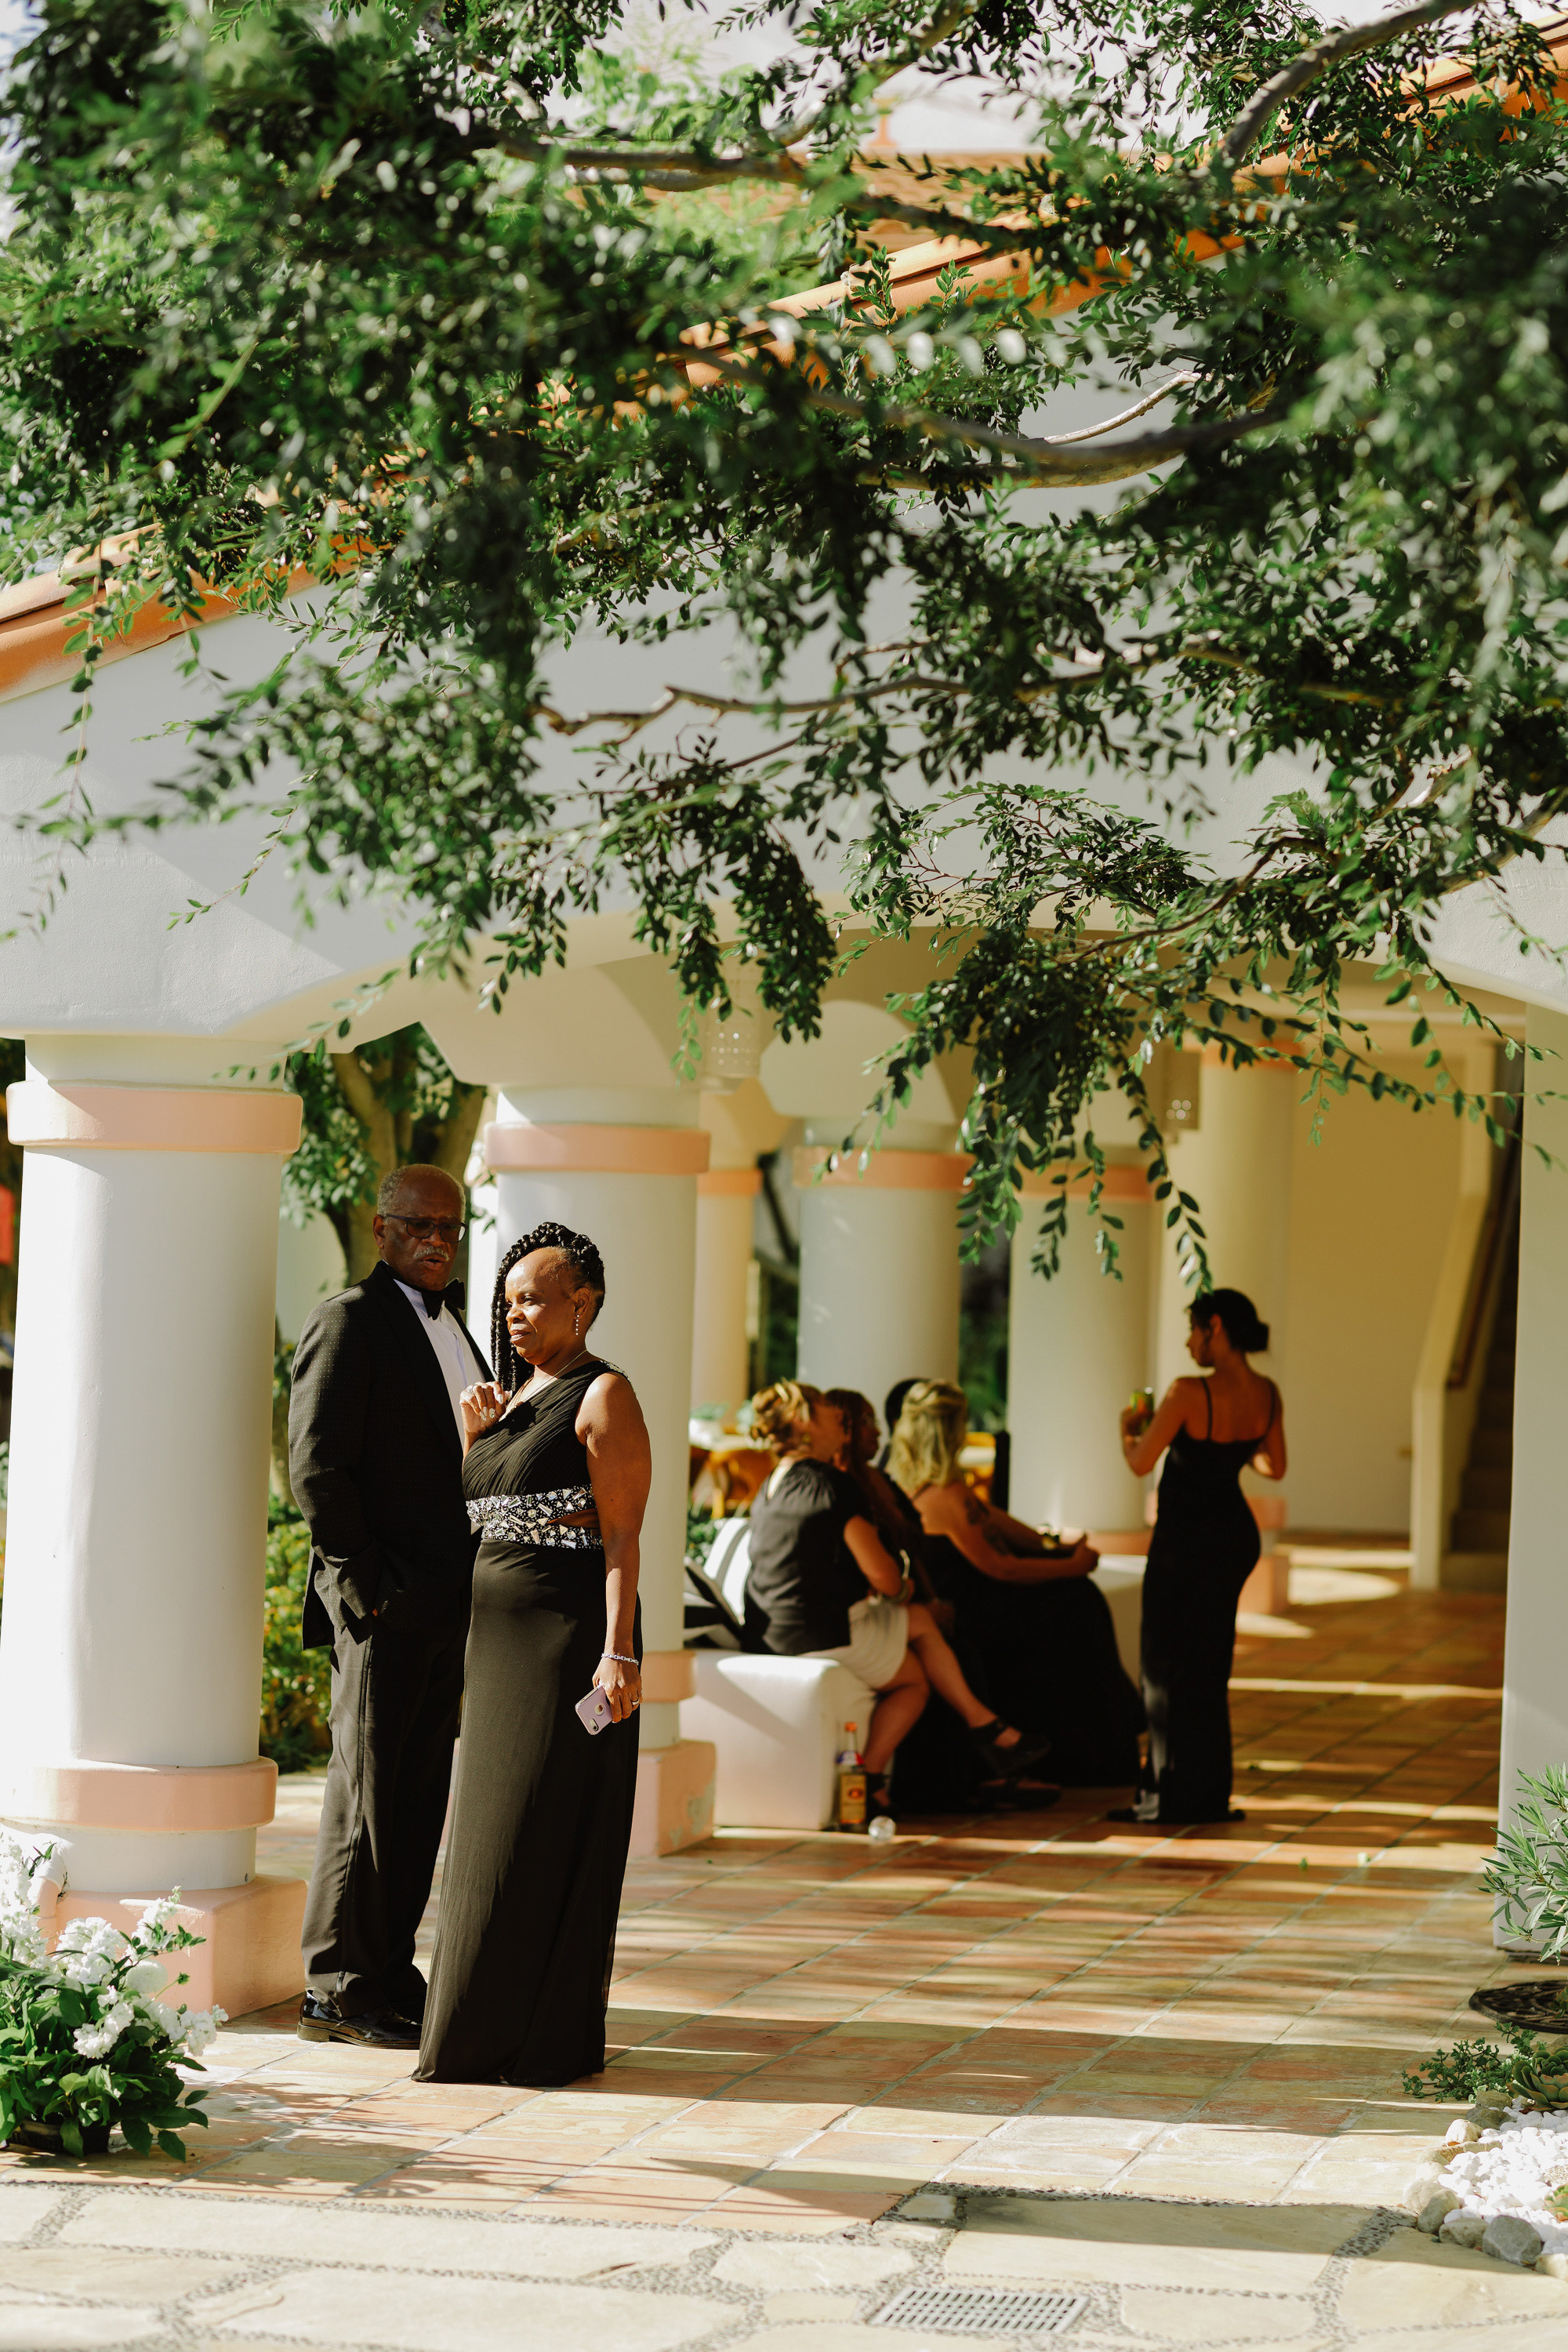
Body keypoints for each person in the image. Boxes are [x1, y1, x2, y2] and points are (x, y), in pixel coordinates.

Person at [416, 1221, 649, 2085]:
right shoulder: (505, 1398)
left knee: (537, 1830)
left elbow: (622, 1536)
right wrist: (474, 1439)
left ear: (581, 1303)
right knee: (482, 1835)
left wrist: (617, 1654)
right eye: (508, 1299)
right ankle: (476, 2035)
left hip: (565, 1644)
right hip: (496, 1645)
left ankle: (535, 2037)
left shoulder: (602, 1396)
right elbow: (479, 1514)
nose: (513, 1315)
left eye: (533, 1299)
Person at [289, 1164, 491, 2047]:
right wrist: (366, 1589)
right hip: (382, 1604)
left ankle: (388, 1973)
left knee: (416, 1800)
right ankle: (334, 1988)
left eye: (449, 1226)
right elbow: (316, 1470)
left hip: (451, 1606)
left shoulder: (462, 1332)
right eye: (419, 1225)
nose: (437, 1239)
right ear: (381, 1228)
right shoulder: (348, 1322)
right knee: (365, 1797)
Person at [744, 1381, 1049, 1818]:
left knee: (920, 1623)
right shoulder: (833, 1484)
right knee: (915, 1680)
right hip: (822, 1633)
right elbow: (885, 1577)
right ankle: (876, 1777)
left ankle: (984, 1726)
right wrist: (903, 1591)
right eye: (832, 1412)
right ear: (804, 1421)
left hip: (770, 1630)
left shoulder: (771, 1484)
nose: (842, 1423)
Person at [891, 1381, 1143, 1787]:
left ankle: (1102, 1735)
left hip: (973, 1597)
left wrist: (1054, 1549)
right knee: (1073, 1603)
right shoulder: (946, 1495)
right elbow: (1000, 1567)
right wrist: (1072, 1567)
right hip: (969, 1608)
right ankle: (1091, 1747)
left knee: (1074, 1601)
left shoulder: (925, 1486)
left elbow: (996, 1525)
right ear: (953, 1431)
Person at [1114, 1287, 1287, 1826]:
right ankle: (1208, 1795)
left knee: (1163, 1668)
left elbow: (1142, 1463)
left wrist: (1127, 1431)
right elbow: (1273, 1466)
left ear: (1216, 1328)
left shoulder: (1188, 1392)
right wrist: (1234, 1445)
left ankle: (1166, 1797)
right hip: (1233, 1538)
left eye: (1193, 1330)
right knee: (1210, 1666)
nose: (1189, 1343)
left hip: (1184, 1542)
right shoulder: (1268, 1393)